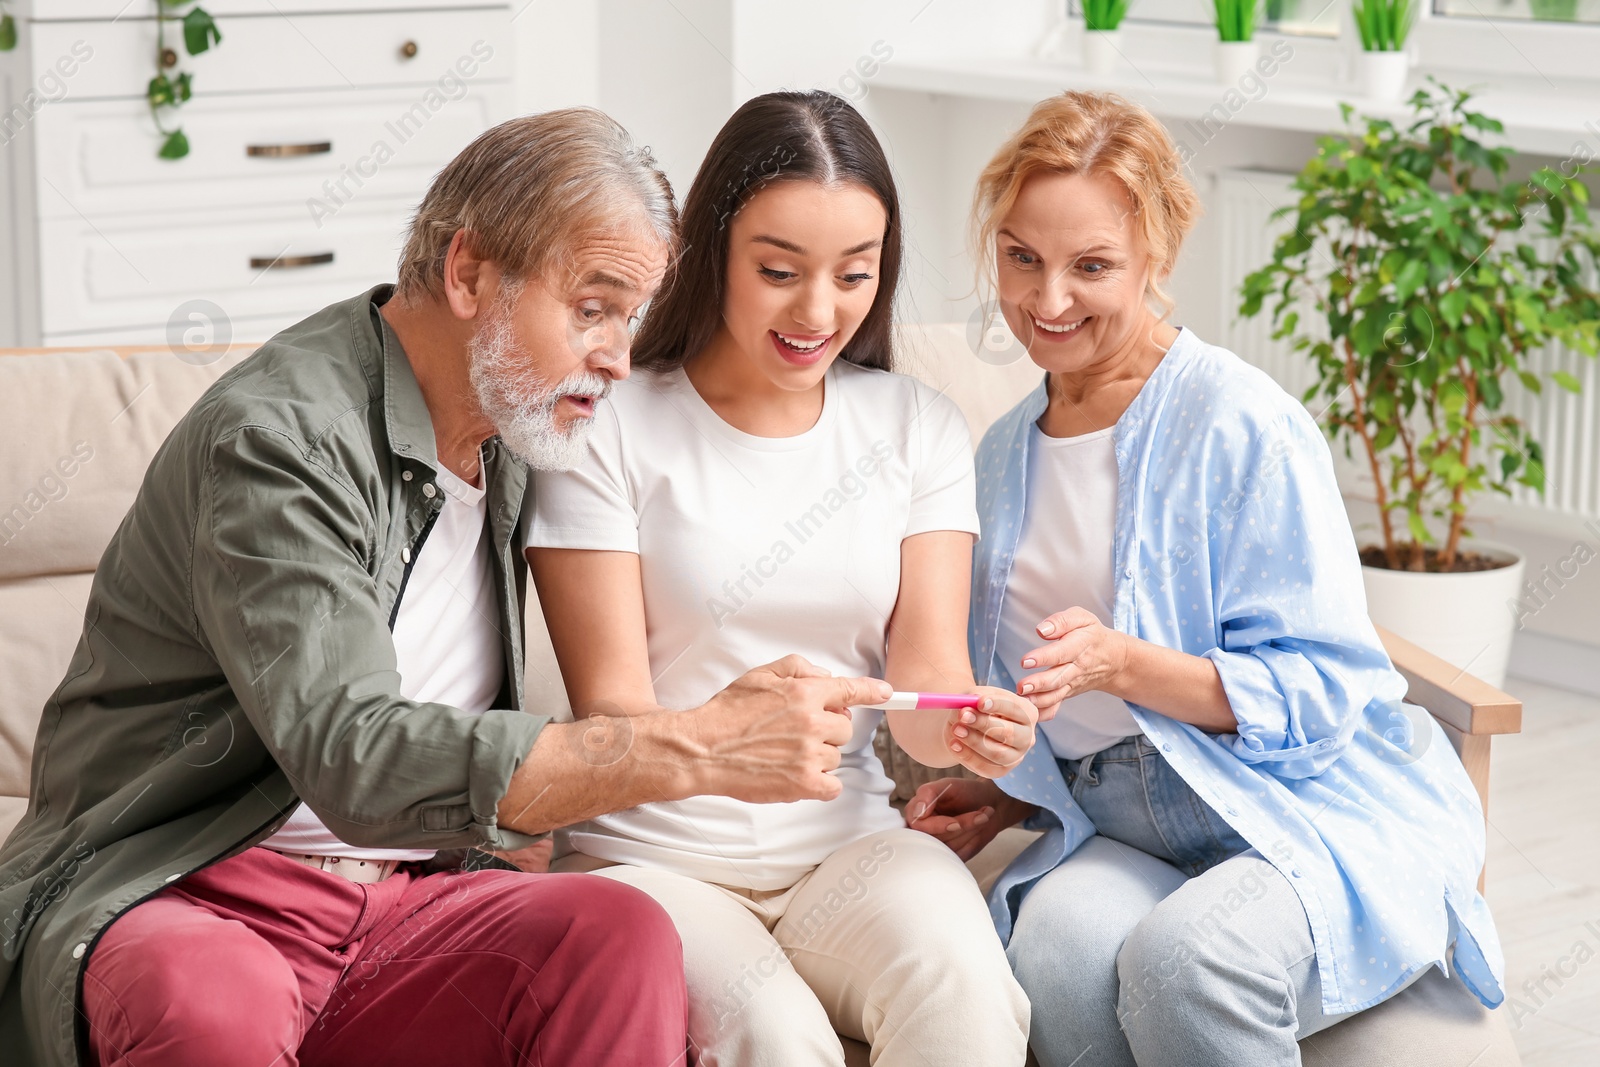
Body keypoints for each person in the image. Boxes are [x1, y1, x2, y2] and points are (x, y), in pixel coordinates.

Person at [0, 108, 895, 1067]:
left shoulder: (514, 432)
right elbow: (354, 756)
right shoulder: (279, 442)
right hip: (195, 886)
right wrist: (701, 746)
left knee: (616, 934)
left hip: (398, 902)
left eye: (631, 316)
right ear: (468, 272)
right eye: (592, 307)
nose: (618, 357)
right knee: (211, 999)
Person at [906, 90, 1505, 1066]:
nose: (1046, 300)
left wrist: (1125, 663)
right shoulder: (1002, 455)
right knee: (1049, 952)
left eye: (1090, 265)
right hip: (1113, 812)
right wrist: (1012, 795)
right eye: (1021, 257)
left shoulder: (1243, 426)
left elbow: (1328, 687)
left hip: (1297, 803)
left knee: (1186, 963)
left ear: (1156, 260)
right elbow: (1044, 697)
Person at [526, 90, 1035, 1067]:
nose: (817, 311)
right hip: (653, 854)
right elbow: (612, 712)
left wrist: (974, 724)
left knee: (966, 992)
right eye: (777, 271)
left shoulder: (914, 425)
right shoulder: (607, 425)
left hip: (847, 845)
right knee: (774, 1032)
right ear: (708, 250)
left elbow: (924, 690)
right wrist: (734, 739)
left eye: (854, 274)